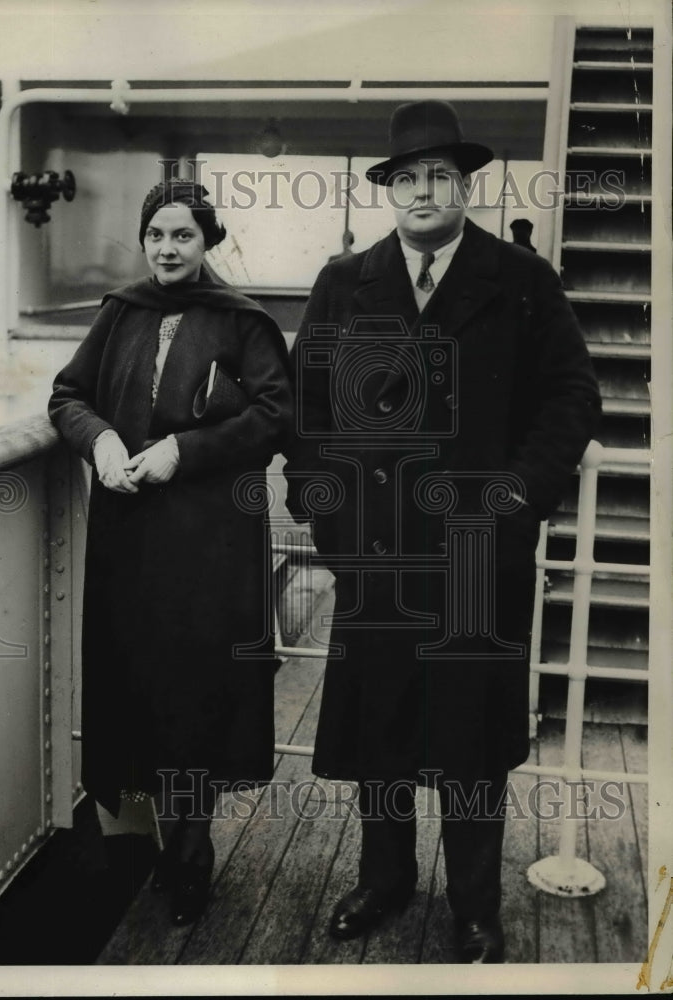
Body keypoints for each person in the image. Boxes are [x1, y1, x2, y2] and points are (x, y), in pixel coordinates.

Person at [285, 100, 601, 962]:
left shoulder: (522, 281)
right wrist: (327, 514)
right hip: (375, 554)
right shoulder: (344, 282)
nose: (424, 191)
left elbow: (571, 399)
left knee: (470, 737)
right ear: (389, 190)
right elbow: (305, 410)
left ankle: (474, 906)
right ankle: (385, 879)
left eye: (441, 177)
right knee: (379, 728)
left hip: (476, 557)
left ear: (467, 187)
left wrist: (510, 504)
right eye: (407, 178)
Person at [48, 179, 293, 926]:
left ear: (208, 241)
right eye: (156, 234)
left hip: (210, 544)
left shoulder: (242, 320)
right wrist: (105, 439)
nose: (166, 248)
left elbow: (276, 413)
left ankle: (192, 854)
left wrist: (183, 451)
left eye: (182, 235)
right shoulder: (122, 312)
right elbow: (67, 395)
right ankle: (149, 846)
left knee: (197, 693)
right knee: (139, 683)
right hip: (130, 543)